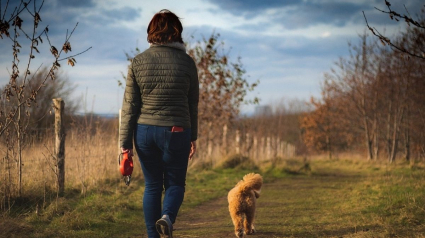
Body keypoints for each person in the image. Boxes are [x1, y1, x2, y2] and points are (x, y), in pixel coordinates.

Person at [119, 9, 199, 238]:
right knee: (175, 185)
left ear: (152, 32)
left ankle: (153, 236)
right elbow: (192, 103)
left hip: (144, 132)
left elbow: (129, 107)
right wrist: (193, 136)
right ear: (177, 33)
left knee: (152, 186)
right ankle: (167, 218)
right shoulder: (187, 63)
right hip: (177, 130)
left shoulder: (138, 62)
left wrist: (125, 144)